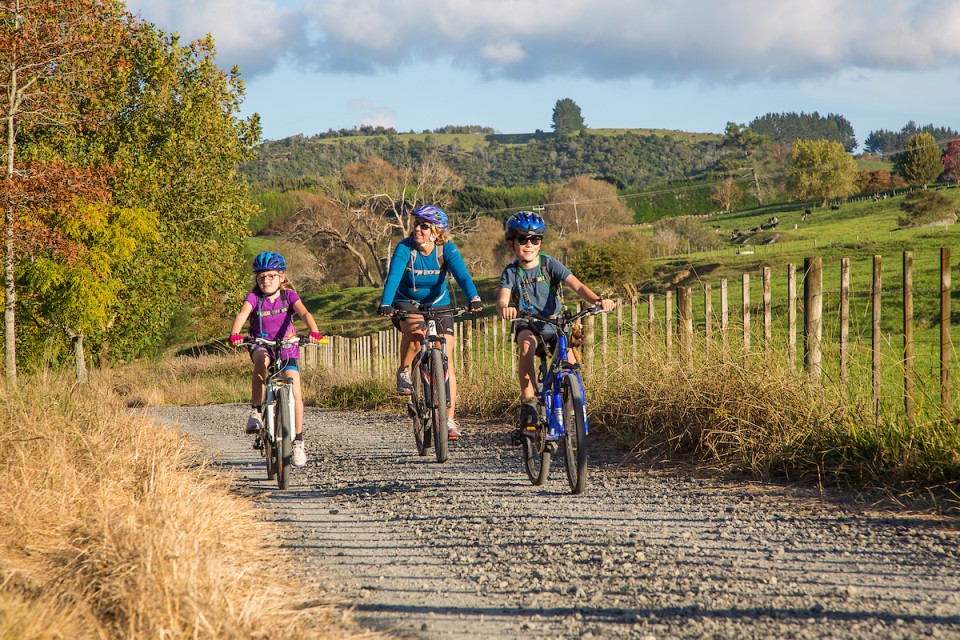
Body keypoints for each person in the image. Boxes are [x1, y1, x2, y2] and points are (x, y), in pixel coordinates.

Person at [495, 211, 615, 430]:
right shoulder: (511, 272)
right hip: (529, 324)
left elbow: (578, 286)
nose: (529, 245)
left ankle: (568, 406)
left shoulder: (549, 263)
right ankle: (529, 403)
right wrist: (506, 308)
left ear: (540, 243)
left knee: (571, 362)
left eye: (535, 240)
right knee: (526, 347)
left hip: (556, 324)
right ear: (511, 243)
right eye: (523, 240)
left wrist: (598, 301)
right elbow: (503, 299)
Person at [378, 205, 482, 439]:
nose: (418, 229)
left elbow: (462, 276)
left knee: (446, 357)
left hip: (439, 303)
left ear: (436, 232)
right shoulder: (405, 248)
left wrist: (474, 297)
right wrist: (386, 303)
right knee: (417, 334)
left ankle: (448, 419)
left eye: (424, 226)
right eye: (416, 224)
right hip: (407, 302)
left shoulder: (446, 249)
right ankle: (404, 371)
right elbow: (393, 277)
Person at [229, 251, 323, 467]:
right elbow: (242, 314)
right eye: (261, 277)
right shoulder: (254, 297)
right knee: (261, 362)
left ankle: (298, 442)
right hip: (261, 344)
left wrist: (314, 331)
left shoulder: (288, 296)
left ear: (281, 277)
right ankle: (255, 411)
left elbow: (304, 313)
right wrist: (235, 334)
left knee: (295, 388)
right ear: (256, 279)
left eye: (271, 276)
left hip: (287, 346)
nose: (266, 281)